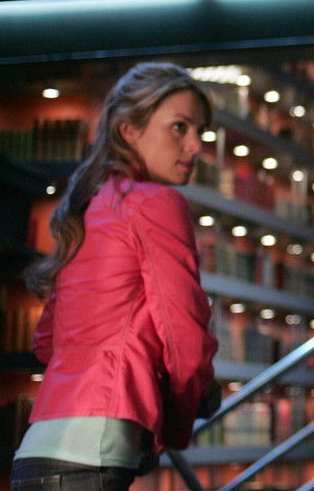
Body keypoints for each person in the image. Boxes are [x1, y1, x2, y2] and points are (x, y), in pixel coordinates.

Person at [12, 62, 220, 491]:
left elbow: (47, 341)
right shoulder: (156, 203)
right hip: (95, 451)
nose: (196, 145)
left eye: (201, 131)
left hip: (37, 451)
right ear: (129, 131)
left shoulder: (92, 207)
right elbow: (184, 338)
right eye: (179, 127)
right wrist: (175, 422)